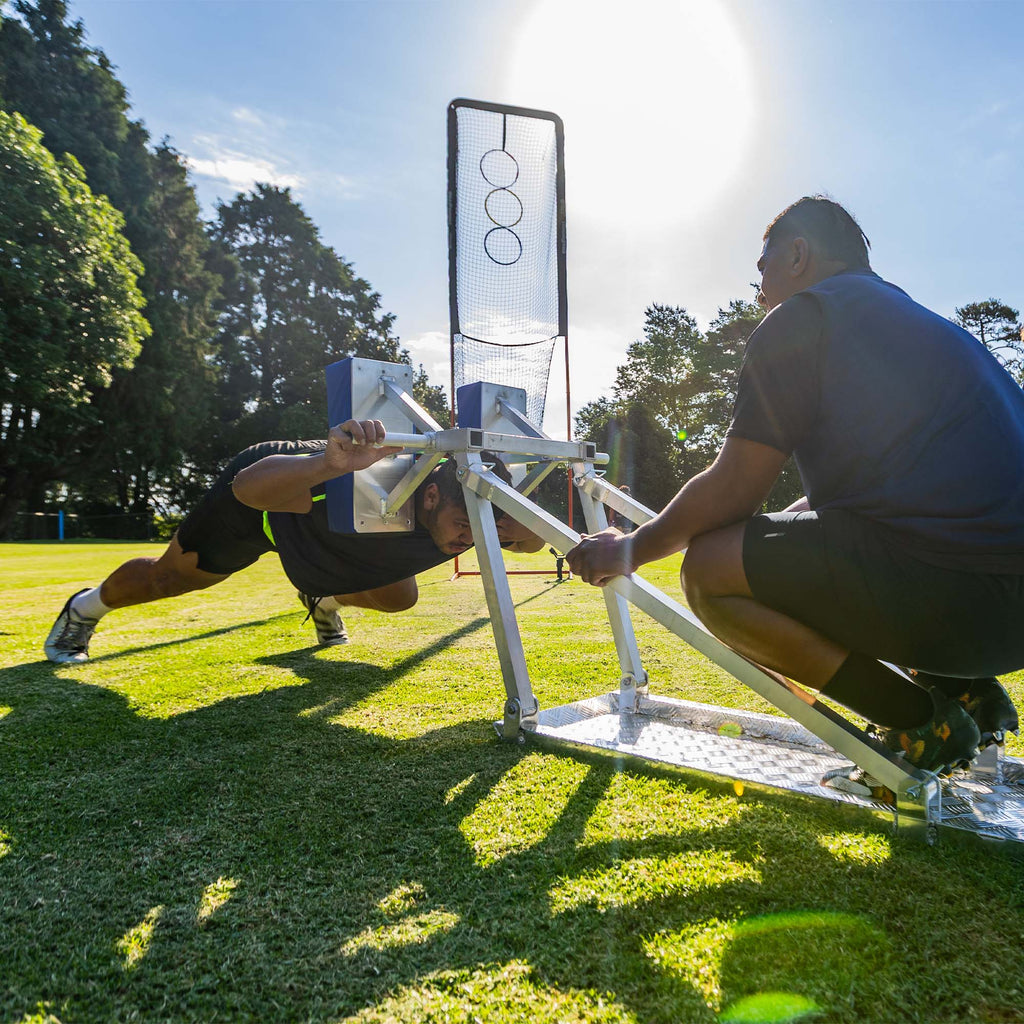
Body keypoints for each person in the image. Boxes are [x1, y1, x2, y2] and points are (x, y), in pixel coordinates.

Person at [567, 195, 1023, 789]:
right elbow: (910, 487)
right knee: (779, 542)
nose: (758, 287)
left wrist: (627, 549)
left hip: (957, 595)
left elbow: (734, 488)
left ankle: (918, 722)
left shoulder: (804, 317)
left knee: (710, 572)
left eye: (763, 267)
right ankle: (968, 692)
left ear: (799, 255)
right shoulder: (927, 328)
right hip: (1002, 618)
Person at [45, 420, 542, 663]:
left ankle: (321, 599)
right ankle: (84, 610)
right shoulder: (371, 482)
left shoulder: (475, 514)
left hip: (328, 540)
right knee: (168, 579)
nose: (466, 536)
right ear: (429, 496)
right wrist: (328, 465)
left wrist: (521, 519)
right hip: (271, 502)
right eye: (461, 522)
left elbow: (533, 545)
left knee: (399, 596)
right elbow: (247, 490)